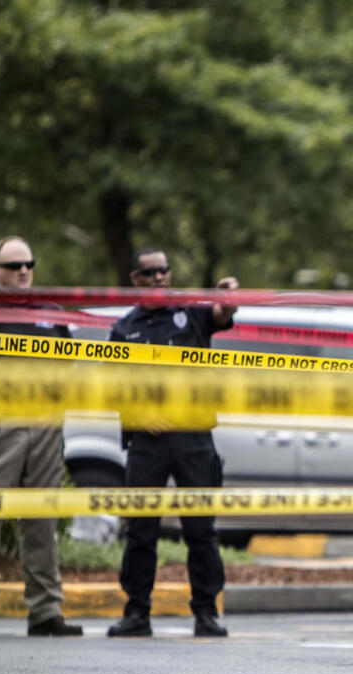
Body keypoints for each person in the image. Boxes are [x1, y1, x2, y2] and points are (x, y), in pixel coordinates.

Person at [0, 236, 83, 637]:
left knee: (42, 520)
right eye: (13, 265)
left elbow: (68, 366)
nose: (23, 270)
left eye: (29, 263)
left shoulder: (51, 311)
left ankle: (45, 611)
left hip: (44, 427)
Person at [106, 248, 235, 638]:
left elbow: (220, 314)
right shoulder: (125, 328)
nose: (161, 277)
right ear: (136, 279)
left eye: (165, 270)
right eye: (151, 272)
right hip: (148, 441)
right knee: (141, 530)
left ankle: (206, 612)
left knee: (201, 530)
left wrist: (227, 297)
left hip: (193, 438)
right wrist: (139, 416)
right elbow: (112, 386)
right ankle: (136, 612)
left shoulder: (191, 313)